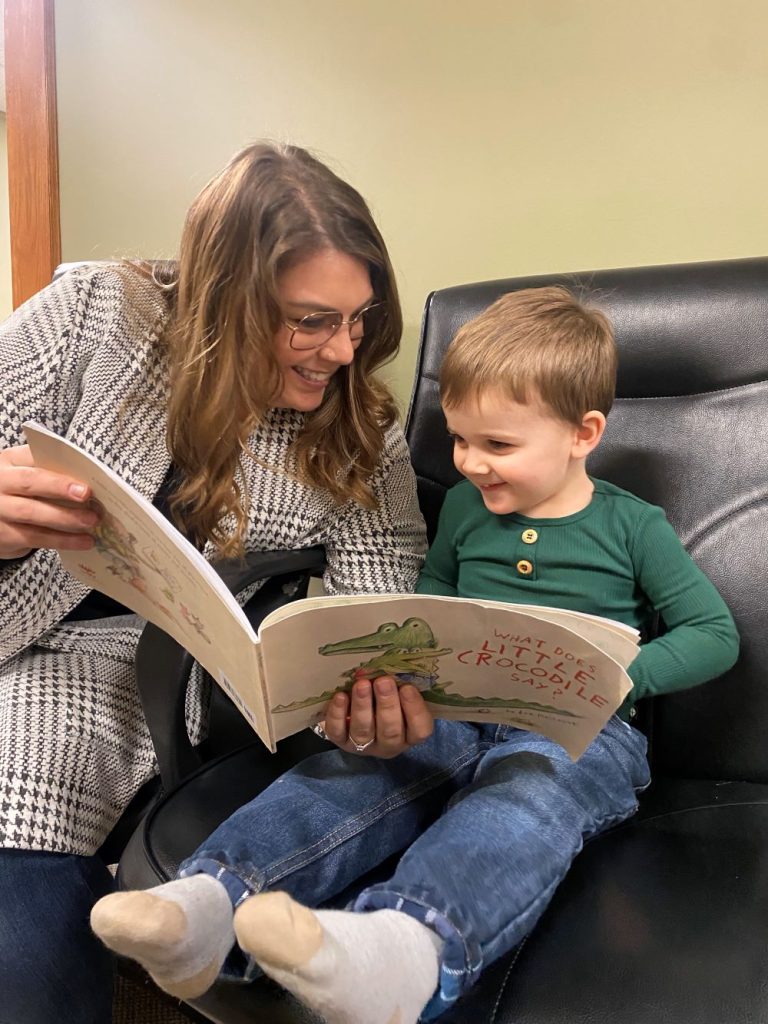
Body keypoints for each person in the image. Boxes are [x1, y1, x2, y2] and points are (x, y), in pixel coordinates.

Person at [89, 286, 740, 1023]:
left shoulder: (632, 526)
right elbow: (429, 605)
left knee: (525, 799)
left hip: (579, 731)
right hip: (453, 711)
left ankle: (410, 945)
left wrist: (624, 678)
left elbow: (713, 636)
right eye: (460, 440)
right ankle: (209, 904)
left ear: (582, 434)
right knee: (354, 771)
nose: (471, 463)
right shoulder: (465, 510)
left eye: (498, 445)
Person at [0, 141, 430, 1024]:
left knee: (22, 845)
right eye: (309, 320)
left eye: (359, 318)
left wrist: (375, 694)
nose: (343, 351)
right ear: (224, 298)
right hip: (15, 617)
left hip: (107, 677)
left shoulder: (358, 429)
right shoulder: (93, 315)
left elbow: (383, 604)